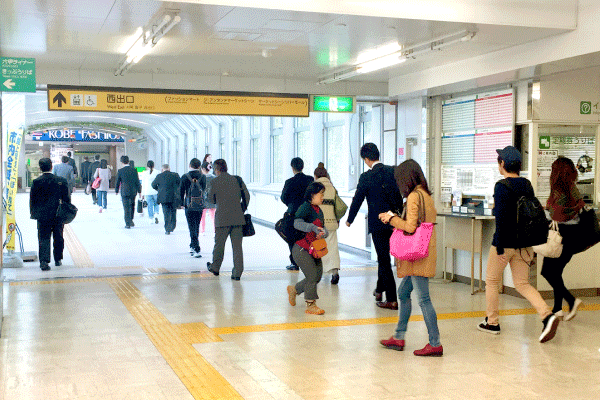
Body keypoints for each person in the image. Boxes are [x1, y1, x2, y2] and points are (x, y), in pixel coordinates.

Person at [478, 146, 559, 343]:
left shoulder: (501, 186)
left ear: (503, 164)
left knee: (491, 281)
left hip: (504, 244)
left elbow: (502, 220)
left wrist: (499, 248)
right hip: (525, 244)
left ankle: (492, 322)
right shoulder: (527, 184)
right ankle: (547, 315)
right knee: (523, 284)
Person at [379, 160, 443, 357]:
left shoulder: (415, 196)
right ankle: (398, 336)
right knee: (403, 292)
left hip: (417, 255)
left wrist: (390, 219)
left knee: (423, 299)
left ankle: (435, 343)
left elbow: (410, 227)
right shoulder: (426, 194)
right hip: (424, 250)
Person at [346, 143, 403, 310]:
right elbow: (398, 196)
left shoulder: (366, 177)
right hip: (394, 221)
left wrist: (350, 219)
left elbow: (357, 199)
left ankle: (391, 299)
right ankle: (379, 290)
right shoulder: (392, 172)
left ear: (366, 159)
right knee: (384, 257)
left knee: (384, 259)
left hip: (377, 224)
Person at [541, 157, 585, 321]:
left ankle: (572, 301)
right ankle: (558, 308)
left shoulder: (559, 189)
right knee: (556, 272)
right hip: (573, 235)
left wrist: (546, 209)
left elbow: (556, 214)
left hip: (561, 235)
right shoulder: (572, 187)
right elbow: (573, 208)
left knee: (547, 271)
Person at [287, 182, 329, 315]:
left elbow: (324, 228)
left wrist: (324, 233)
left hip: (314, 249)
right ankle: (311, 304)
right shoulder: (305, 207)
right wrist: (311, 227)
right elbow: (297, 223)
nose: (322, 196)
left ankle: (294, 290)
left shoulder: (319, 210)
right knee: (311, 275)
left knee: (317, 276)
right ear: (312, 194)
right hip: (301, 248)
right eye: (320, 194)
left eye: (323, 194)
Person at [206, 159, 250, 281]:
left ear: (216, 169)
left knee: (219, 245)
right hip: (238, 218)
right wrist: (242, 209)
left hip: (222, 219)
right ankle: (237, 273)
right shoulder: (237, 180)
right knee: (237, 247)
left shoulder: (214, 182)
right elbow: (246, 196)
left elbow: (210, 199)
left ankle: (215, 267)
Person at [30, 158, 71, 271]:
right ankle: (58, 259)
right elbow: (67, 198)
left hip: (42, 216)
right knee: (58, 236)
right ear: (51, 166)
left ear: (40, 168)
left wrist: (34, 214)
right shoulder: (61, 180)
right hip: (58, 214)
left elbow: (32, 200)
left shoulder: (36, 182)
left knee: (43, 237)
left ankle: (44, 262)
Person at [281, 157, 314, 271]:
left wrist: (291, 205)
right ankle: (309, 261)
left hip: (293, 214)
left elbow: (283, 197)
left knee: (292, 238)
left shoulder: (289, 182)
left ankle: (294, 263)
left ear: (292, 168)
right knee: (307, 237)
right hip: (307, 214)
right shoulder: (310, 180)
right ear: (302, 166)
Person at [313, 163, 342, 284]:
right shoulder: (332, 187)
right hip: (332, 223)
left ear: (316, 176)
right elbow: (338, 206)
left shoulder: (314, 187)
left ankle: (318, 272)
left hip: (318, 223)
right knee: (333, 248)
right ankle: (334, 272)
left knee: (318, 247)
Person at [180, 158, 206, 253]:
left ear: (190, 165)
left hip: (188, 204)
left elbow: (181, 191)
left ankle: (196, 246)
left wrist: (181, 204)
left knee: (191, 226)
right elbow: (204, 189)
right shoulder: (203, 177)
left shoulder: (184, 176)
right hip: (199, 204)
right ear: (199, 166)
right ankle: (192, 244)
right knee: (197, 225)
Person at [152, 164, 181, 235]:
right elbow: (180, 184)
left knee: (166, 213)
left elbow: (153, 185)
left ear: (162, 169)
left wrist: (159, 190)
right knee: (173, 212)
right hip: (173, 197)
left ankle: (167, 229)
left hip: (163, 197)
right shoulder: (175, 175)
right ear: (169, 169)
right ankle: (172, 226)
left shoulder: (159, 176)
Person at [115, 155, 141, 229]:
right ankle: (131, 220)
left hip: (124, 191)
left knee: (126, 207)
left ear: (122, 162)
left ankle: (127, 223)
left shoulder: (120, 171)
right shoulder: (134, 170)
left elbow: (117, 181)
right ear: (128, 161)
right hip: (133, 190)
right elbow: (137, 181)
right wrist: (139, 191)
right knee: (132, 205)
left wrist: (116, 190)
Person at [141, 160, 160, 224]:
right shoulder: (157, 172)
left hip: (147, 191)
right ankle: (156, 214)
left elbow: (143, 184)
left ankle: (150, 218)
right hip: (156, 191)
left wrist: (142, 193)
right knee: (156, 203)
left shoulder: (144, 173)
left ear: (147, 166)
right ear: (153, 165)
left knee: (149, 205)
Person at [200, 161, 216, 235]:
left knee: (202, 216)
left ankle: (202, 231)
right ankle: (215, 230)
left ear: (203, 169)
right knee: (213, 216)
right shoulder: (214, 177)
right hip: (212, 198)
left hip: (202, 198)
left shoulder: (200, 178)